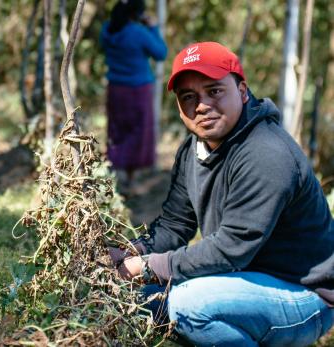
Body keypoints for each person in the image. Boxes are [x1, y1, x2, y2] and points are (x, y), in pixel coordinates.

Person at [109, 41, 334, 346]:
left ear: (242, 91)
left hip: (303, 297)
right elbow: (174, 227)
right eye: (189, 97)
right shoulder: (193, 149)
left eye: (214, 91)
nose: (201, 106)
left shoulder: (267, 153)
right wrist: (128, 252)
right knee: (132, 301)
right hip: (241, 281)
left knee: (187, 305)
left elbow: (230, 249)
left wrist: (147, 266)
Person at [99, 0, 167, 193]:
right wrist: (152, 28)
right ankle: (130, 179)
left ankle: (115, 176)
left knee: (117, 129)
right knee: (138, 131)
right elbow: (161, 53)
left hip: (115, 88)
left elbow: (104, 47)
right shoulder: (138, 33)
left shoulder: (107, 30)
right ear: (136, 14)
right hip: (138, 89)